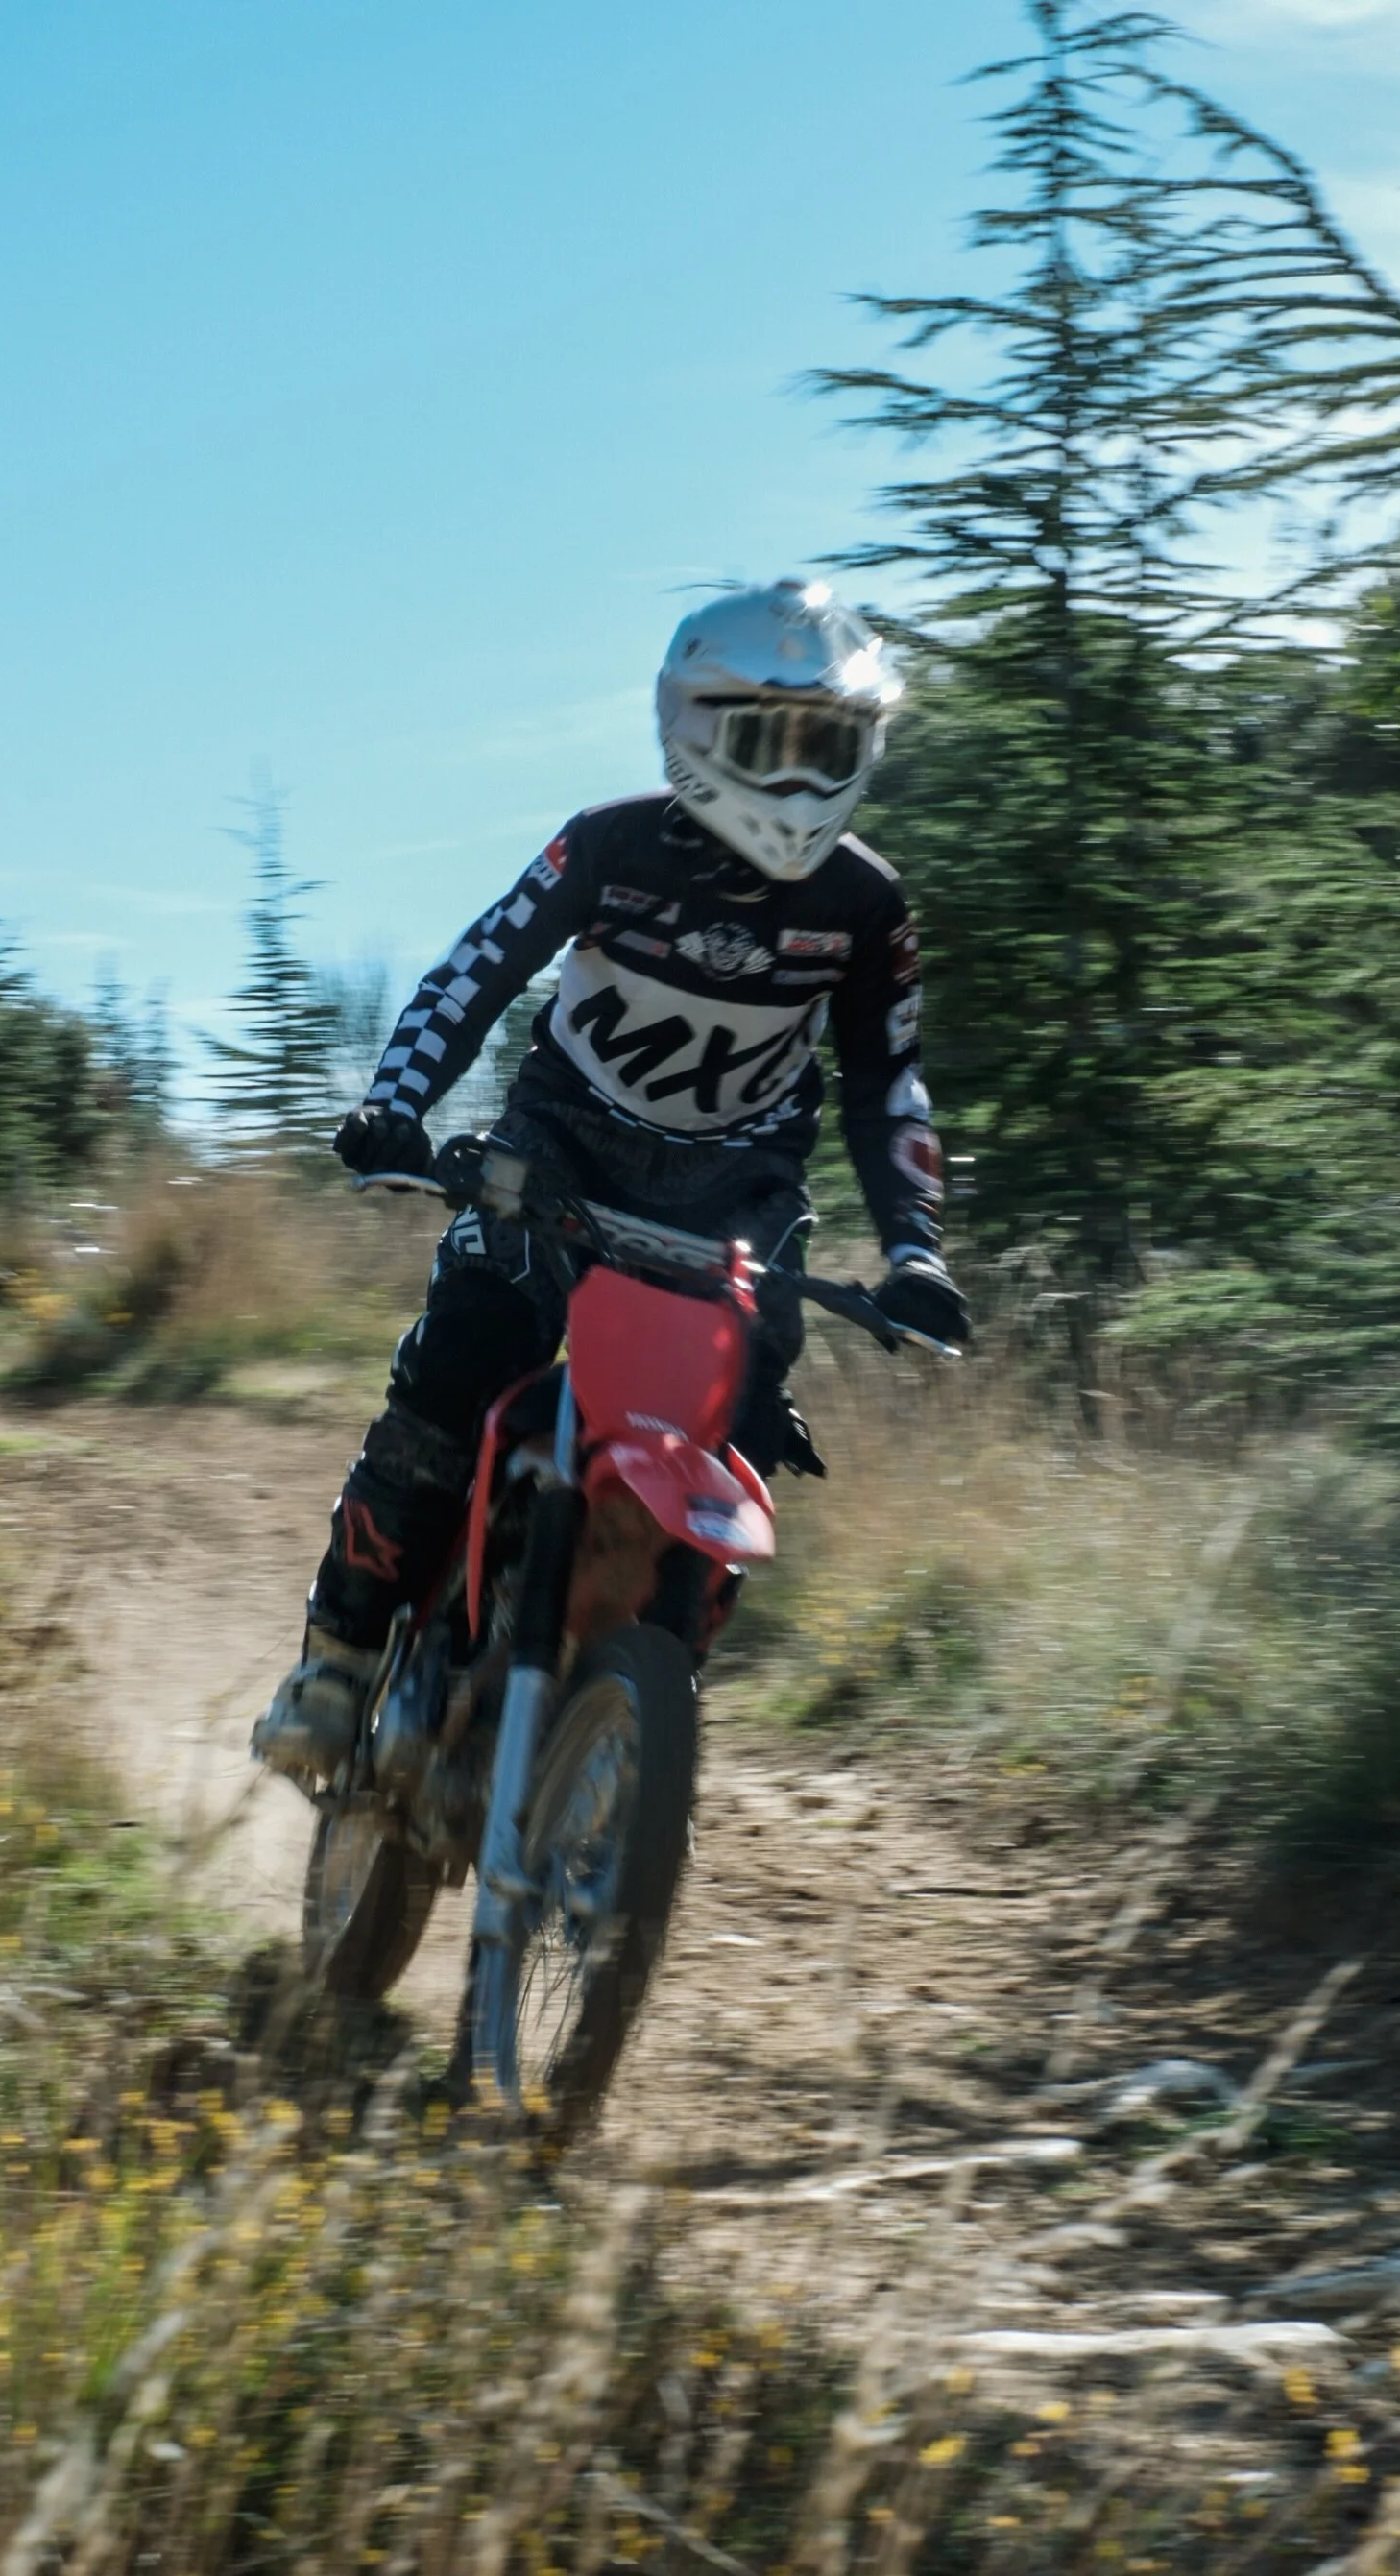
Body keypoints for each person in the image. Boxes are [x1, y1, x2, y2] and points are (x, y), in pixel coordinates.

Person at [252, 578, 970, 1785]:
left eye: (831, 744)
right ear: (695, 729)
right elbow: (474, 971)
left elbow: (884, 1082)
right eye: (771, 739)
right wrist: (396, 1105)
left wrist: (916, 1252)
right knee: (457, 1367)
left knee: (738, 1424)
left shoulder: (866, 905)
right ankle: (337, 1658)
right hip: (558, 1153)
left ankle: (642, 1702)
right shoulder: (608, 846)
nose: (800, 774)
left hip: (737, 1193)